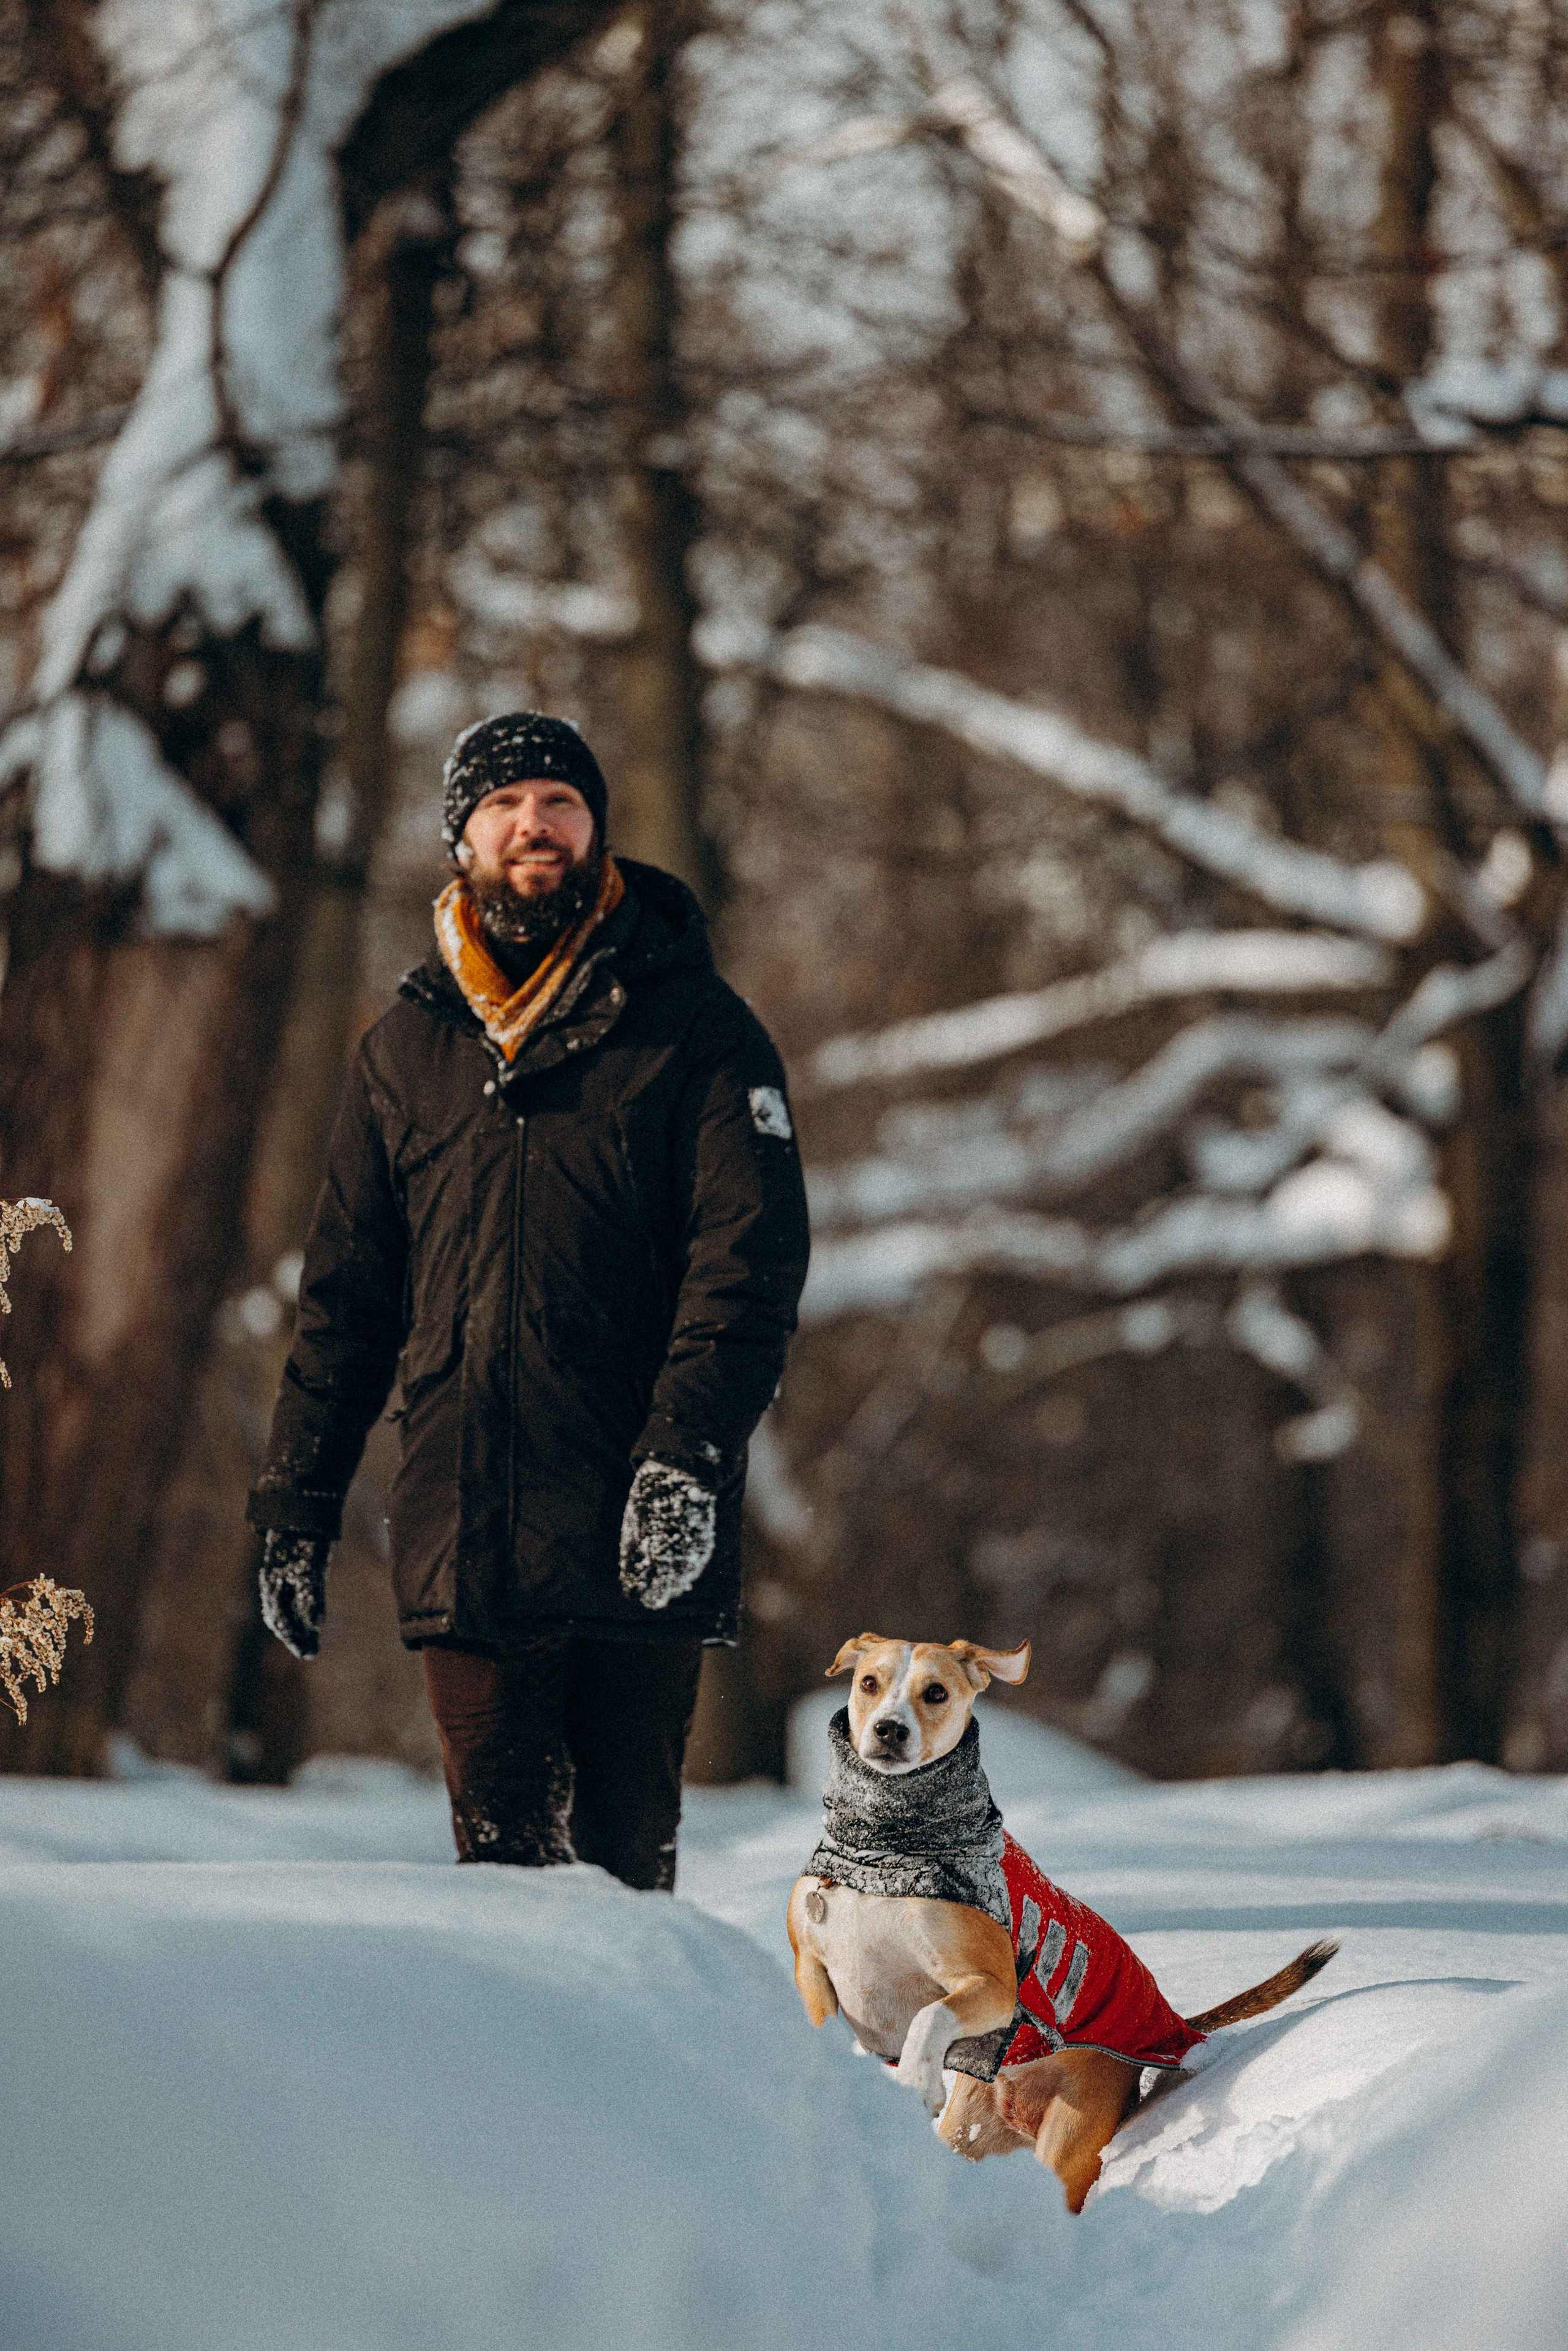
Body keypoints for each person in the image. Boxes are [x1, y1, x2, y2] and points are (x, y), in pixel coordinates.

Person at [246, 713, 810, 1889]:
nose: (531, 825)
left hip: (637, 1530)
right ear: (462, 839)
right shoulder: (402, 1052)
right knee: (501, 1889)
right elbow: (346, 1304)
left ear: (596, 827)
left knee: (621, 1888)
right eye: (503, 805)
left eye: (557, 801)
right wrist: (294, 1501)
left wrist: (687, 1458)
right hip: (469, 1536)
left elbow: (748, 1266)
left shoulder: (699, 1030)